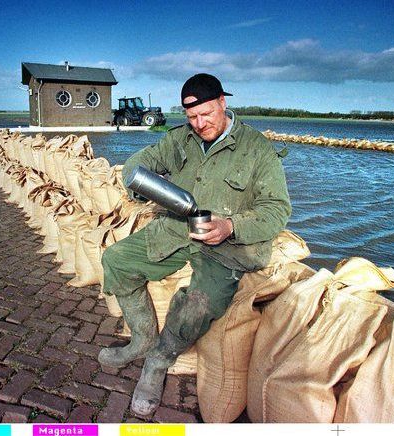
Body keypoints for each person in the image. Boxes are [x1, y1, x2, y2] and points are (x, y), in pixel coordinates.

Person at [99, 73, 291, 416]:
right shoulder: (179, 140)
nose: (199, 124)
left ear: (223, 103)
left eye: (206, 114)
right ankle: (142, 339)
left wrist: (229, 226)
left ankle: (158, 360)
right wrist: (141, 183)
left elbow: (277, 210)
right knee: (116, 260)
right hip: (178, 229)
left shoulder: (257, 149)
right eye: (191, 117)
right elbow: (136, 165)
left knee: (200, 303)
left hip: (226, 246)